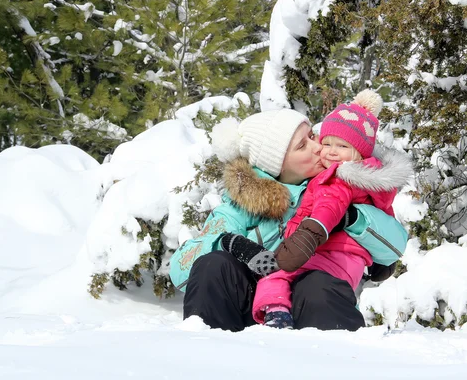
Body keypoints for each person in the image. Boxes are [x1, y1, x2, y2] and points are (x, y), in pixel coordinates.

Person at [169, 104, 411, 332]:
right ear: (278, 165)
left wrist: (351, 218)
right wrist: (229, 244)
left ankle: (335, 361)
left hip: (313, 304)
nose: (318, 147)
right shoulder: (240, 206)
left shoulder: (338, 183)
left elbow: (393, 250)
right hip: (251, 308)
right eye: (302, 146)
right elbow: (181, 271)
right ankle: (209, 356)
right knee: (214, 265)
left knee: (315, 285)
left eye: (312, 137)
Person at [252, 90, 411, 328]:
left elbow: (329, 206)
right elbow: (386, 214)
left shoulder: (340, 176)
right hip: (349, 261)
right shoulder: (371, 179)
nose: (331, 151)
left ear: (359, 153)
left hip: (329, 253)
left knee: (275, 273)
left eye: (342, 146)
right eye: (326, 143)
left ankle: (276, 314)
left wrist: (308, 234)